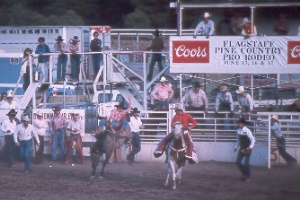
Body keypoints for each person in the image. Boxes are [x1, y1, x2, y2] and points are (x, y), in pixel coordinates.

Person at [234, 118, 255, 182]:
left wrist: (250, 147)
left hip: (247, 148)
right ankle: (245, 174)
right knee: (238, 162)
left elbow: (253, 140)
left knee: (246, 163)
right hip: (241, 148)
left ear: (242, 124)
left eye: (239, 123)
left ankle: (247, 176)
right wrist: (236, 147)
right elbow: (238, 140)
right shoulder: (238, 131)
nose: (238, 124)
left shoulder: (247, 131)